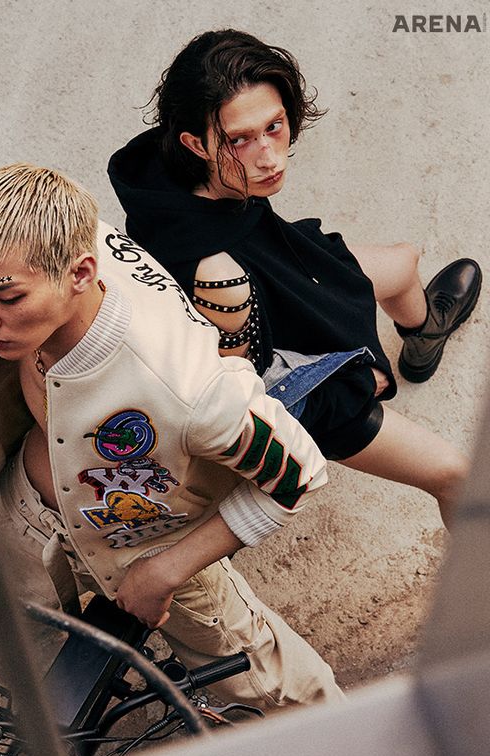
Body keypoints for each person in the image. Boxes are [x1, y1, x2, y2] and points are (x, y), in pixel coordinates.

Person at [0, 162, 344, 708]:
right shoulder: (43, 247)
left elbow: (299, 474)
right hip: (34, 498)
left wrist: (166, 571)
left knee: (269, 689)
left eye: (7, 298)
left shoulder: (188, 389)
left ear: (81, 273)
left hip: (147, 538)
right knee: (3, 558)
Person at [108, 28, 482, 529]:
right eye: (240, 140)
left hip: (279, 267)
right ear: (195, 143)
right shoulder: (219, 281)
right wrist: (350, 380)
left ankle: (424, 336)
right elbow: (244, 399)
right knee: (457, 475)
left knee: (402, 263)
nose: (268, 157)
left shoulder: (162, 164)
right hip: (300, 384)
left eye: (274, 126)